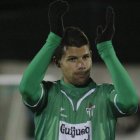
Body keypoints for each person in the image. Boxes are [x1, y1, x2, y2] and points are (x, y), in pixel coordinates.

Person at [19, 0, 139, 140]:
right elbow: (27, 88)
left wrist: (107, 51)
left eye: (86, 57)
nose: (81, 65)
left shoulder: (105, 95)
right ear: (57, 62)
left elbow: (130, 102)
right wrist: (52, 41)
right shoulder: (47, 95)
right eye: (73, 59)